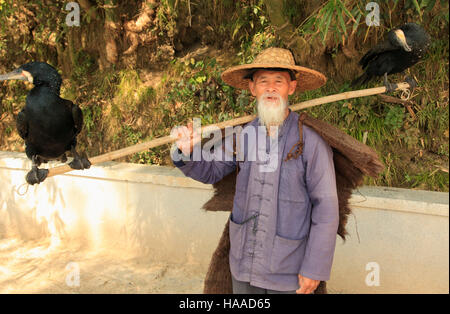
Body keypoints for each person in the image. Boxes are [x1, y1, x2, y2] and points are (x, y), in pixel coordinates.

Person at [171, 47, 339, 294]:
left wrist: (315, 267)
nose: (270, 88)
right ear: (252, 88)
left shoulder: (310, 142)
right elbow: (211, 170)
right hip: (243, 263)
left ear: (291, 87)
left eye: (278, 81)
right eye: (263, 81)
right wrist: (186, 152)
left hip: (288, 269)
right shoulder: (243, 136)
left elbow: (326, 207)